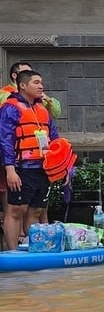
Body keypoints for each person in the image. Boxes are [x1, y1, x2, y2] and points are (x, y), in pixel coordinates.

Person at [0, 69, 60, 250]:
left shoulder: (42, 109)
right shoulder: (10, 108)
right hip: (22, 167)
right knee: (16, 210)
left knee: (36, 210)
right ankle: (12, 252)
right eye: (36, 82)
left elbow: (55, 139)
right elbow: (5, 140)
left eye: (41, 82)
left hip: (43, 168)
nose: (41, 86)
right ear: (23, 85)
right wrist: (10, 169)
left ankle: (36, 249)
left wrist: (62, 168)